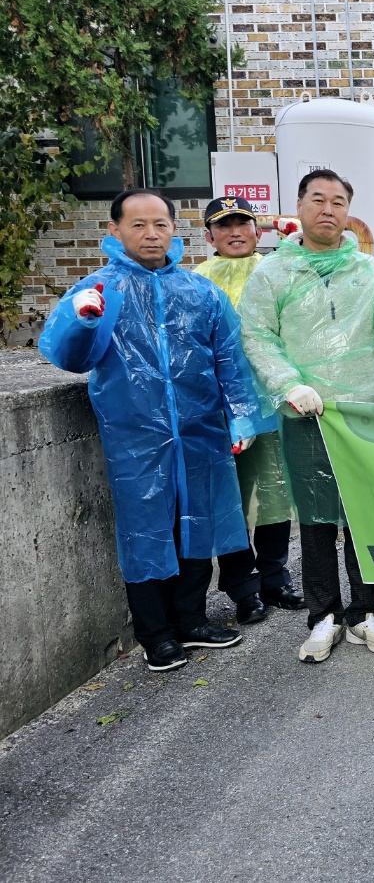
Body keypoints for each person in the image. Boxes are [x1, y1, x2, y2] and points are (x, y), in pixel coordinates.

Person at [40, 190, 273, 672]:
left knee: (198, 523)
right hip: (136, 436)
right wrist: (85, 323)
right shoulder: (100, 290)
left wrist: (243, 417)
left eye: (161, 224)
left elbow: (230, 358)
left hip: (201, 430)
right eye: (139, 225)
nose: (151, 234)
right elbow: (70, 358)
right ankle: (156, 635)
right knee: (146, 531)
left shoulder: (200, 292)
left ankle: (191, 620)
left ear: (174, 229)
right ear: (115, 231)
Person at [239, 169, 374, 662]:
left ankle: (364, 612)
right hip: (307, 409)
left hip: (362, 408)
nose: (328, 209)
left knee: (365, 514)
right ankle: (322, 617)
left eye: (338, 202)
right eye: (318, 199)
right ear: (299, 206)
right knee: (315, 518)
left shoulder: (365, 267)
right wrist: (289, 384)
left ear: (348, 212)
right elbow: (256, 335)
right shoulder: (274, 272)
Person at [192, 196, 302, 625]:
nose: (235, 232)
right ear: (208, 236)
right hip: (220, 407)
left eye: (243, 223)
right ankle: (242, 587)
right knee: (231, 498)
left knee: (277, 492)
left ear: (259, 231)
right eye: (224, 226)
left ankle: (275, 577)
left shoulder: (278, 270)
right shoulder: (197, 282)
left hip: (273, 400)